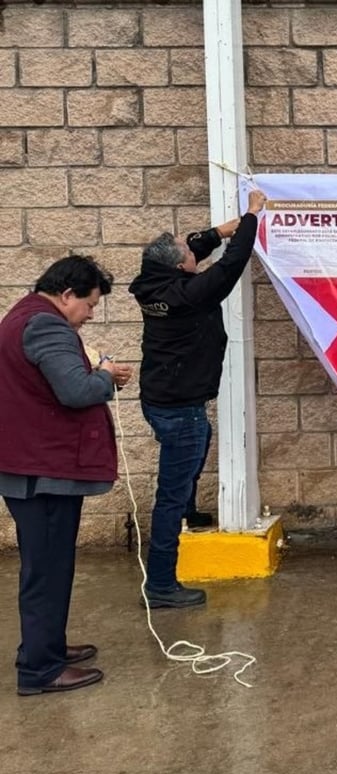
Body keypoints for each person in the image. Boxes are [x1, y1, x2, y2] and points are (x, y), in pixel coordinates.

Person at [0, 256, 132, 695]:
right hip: (43, 471)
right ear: (68, 294)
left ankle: (46, 647)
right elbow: (75, 391)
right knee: (48, 568)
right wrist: (105, 375)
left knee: (48, 565)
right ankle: (40, 669)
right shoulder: (47, 325)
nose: (90, 315)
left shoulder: (24, 315)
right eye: (90, 305)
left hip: (30, 465)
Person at [129, 189, 267, 608]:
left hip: (160, 398)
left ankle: (189, 508)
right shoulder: (187, 295)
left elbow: (192, 247)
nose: (194, 255)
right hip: (179, 407)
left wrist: (217, 231)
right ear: (179, 267)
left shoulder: (151, 281)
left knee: (197, 444)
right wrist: (251, 218)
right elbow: (229, 267)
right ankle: (161, 586)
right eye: (188, 255)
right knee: (170, 492)